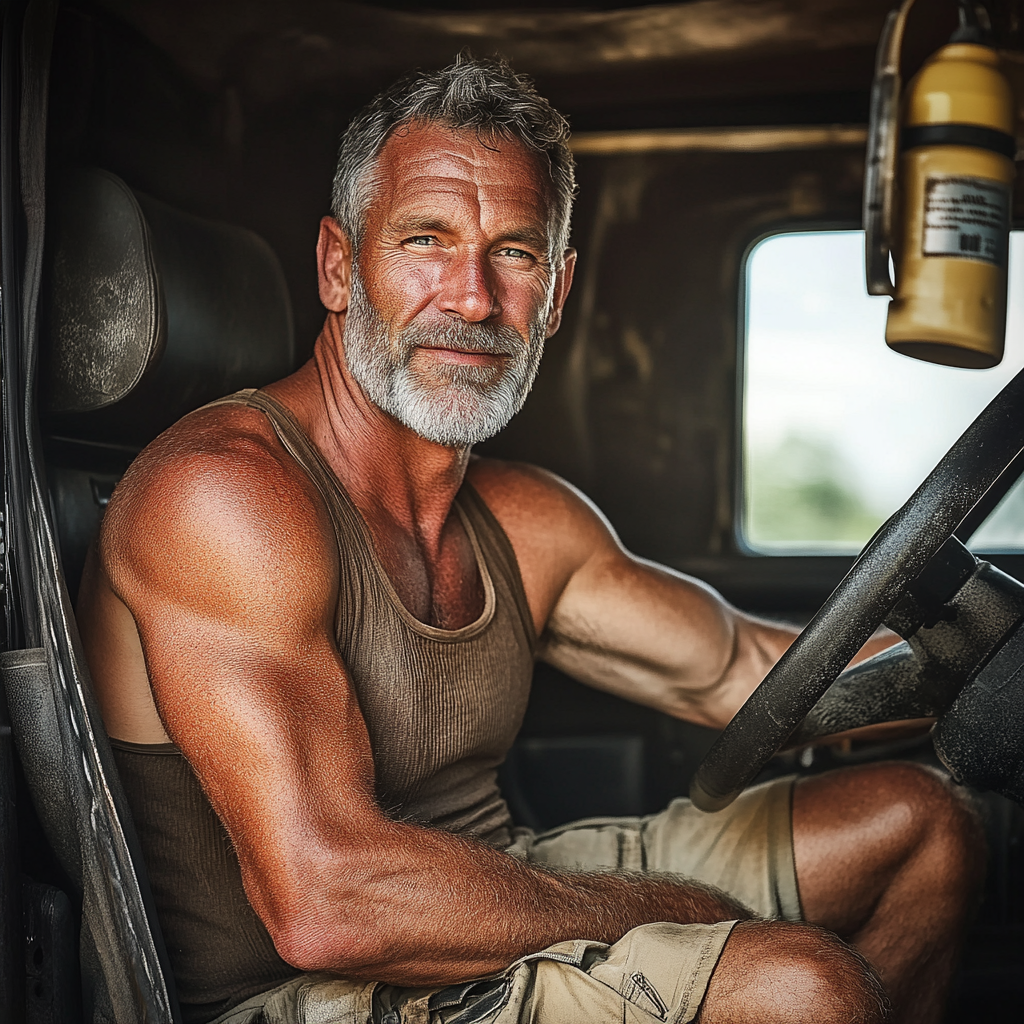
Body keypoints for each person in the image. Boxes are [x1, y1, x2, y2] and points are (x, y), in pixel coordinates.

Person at [76, 56, 983, 1024]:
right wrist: (676, 915)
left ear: (555, 291)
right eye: (426, 240)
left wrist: (980, 658)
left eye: (514, 252)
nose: (471, 298)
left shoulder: (522, 517)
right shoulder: (223, 494)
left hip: (488, 888)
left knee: (920, 824)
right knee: (798, 984)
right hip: (300, 991)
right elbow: (328, 904)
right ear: (341, 267)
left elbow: (750, 677)